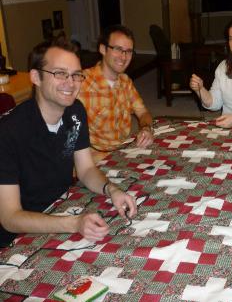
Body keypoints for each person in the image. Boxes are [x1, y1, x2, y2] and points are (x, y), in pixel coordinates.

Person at [0, 39, 137, 248]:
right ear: (36, 77)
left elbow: (86, 169)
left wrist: (112, 190)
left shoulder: (75, 111)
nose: (71, 82)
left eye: (75, 75)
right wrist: (74, 223)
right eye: (60, 73)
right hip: (19, 236)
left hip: (63, 207)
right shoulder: (8, 132)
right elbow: (10, 218)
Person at [78, 25, 154, 160]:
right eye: (118, 49)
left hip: (125, 150)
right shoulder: (81, 83)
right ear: (102, 49)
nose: (124, 57)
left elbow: (143, 113)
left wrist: (146, 128)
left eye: (129, 51)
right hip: (96, 159)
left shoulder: (125, 81)